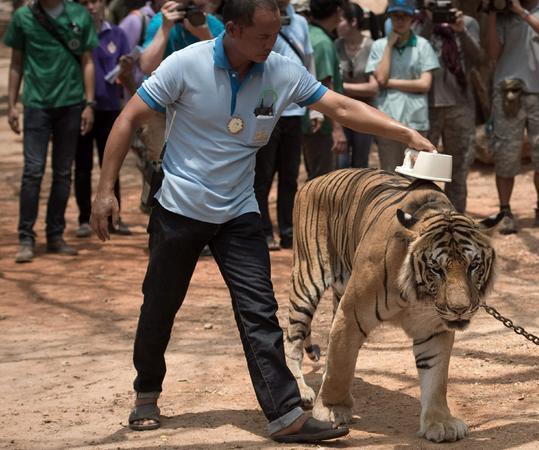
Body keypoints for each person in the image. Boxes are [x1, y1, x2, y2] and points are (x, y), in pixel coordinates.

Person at [88, 0, 435, 440]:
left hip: (238, 211)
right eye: (262, 36)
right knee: (160, 305)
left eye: (276, 34)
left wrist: (403, 132)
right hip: (178, 208)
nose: (271, 45)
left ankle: (286, 413)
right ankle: (147, 393)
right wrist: (104, 193)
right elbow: (127, 118)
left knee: (259, 312)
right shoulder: (185, 65)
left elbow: (340, 108)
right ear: (231, 28)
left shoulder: (280, 70)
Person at [5, 0, 97, 263]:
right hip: (36, 105)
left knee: (62, 172)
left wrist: (89, 104)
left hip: (70, 103)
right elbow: (16, 63)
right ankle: (26, 237)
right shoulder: (23, 17)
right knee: (32, 171)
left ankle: (55, 236)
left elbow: (87, 61)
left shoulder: (79, 15)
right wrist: (12, 105)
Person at [136, 0, 224, 213]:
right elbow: (147, 65)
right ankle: (160, 224)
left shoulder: (213, 24)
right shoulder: (161, 22)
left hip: (200, 110)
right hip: (161, 109)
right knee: (160, 167)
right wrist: (166, 27)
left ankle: (197, 229)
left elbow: (227, 64)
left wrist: (203, 33)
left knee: (200, 170)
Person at [487, 0, 539, 233]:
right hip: (507, 92)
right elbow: (492, 53)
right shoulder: (502, 15)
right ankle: (505, 211)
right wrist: (491, 13)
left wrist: (520, 12)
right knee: (505, 153)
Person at [252, 0, 314, 251]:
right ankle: (264, 230)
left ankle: (287, 231)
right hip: (266, 108)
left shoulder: (300, 22)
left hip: (295, 110)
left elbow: (309, 61)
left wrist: (314, 108)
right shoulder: (259, 18)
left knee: (290, 176)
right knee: (263, 175)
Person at [74, 0, 138, 238]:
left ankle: (114, 220)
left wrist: (126, 67)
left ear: (103, 4)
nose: (90, 7)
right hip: (81, 108)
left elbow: (127, 73)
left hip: (111, 108)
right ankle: (83, 219)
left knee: (110, 164)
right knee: (81, 165)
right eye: (84, 3)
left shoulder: (118, 33)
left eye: (95, 1)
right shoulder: (75, 33)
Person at [417, 0, 482, 213]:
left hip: (461, 105)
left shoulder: (468, 23)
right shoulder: (418, 23)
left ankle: (455, 219)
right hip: (427, 105)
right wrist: (428, 20)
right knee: (422, 169)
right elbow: (415, 53)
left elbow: (479, 59)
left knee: (459, 169)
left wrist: (461, 31)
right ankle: (424, 218)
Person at [366, 0, 439, 172]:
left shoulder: (423, 45)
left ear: (412, 19)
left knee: (416, 175)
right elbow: (380, 77)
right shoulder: (379, 46)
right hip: (387, 121)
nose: (400, 20)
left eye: (404, 16)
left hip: (416, 120)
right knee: (390, 174)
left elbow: (424, 84)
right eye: (395, 16)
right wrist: (389, 46)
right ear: (389, 18)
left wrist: (388, 83)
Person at [302, 0, 347, 179]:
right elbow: (325, 87)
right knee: (324, 183)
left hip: (308, 121)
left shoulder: (309, 34)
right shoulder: (322, 42)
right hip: (321, 126)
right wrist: (338, 129)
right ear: (337, 11)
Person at [334, 1, 377, 169]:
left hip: (364, 112)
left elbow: (373, 88)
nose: (337, 23)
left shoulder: (371, 46)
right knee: (340, 165)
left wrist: (340, 87)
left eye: (341, 19)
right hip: (340, 111)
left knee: (360, 165)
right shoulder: (336, 45)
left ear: (353, 22)